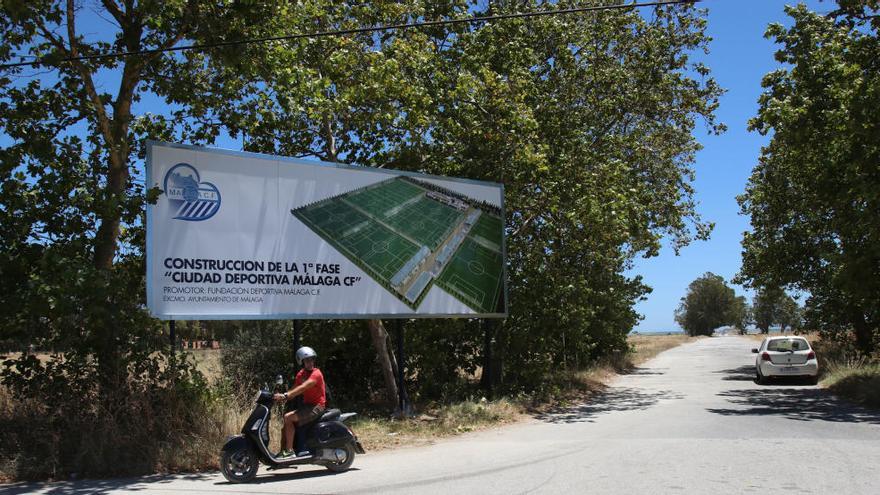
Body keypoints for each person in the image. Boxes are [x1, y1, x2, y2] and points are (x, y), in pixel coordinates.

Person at [273, 346, 327, 457]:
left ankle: (290, 451)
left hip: (317, 407)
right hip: (307, 406)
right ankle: (283, 451)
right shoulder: (301, 374)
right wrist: (282, 397)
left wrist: (286, 395)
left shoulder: (316, 374)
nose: (310, 362)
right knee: (286, 422)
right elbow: (295, 388)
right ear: (302, 362)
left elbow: (303, 387)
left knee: (288, 417)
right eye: (307, 360)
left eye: (312, 359)